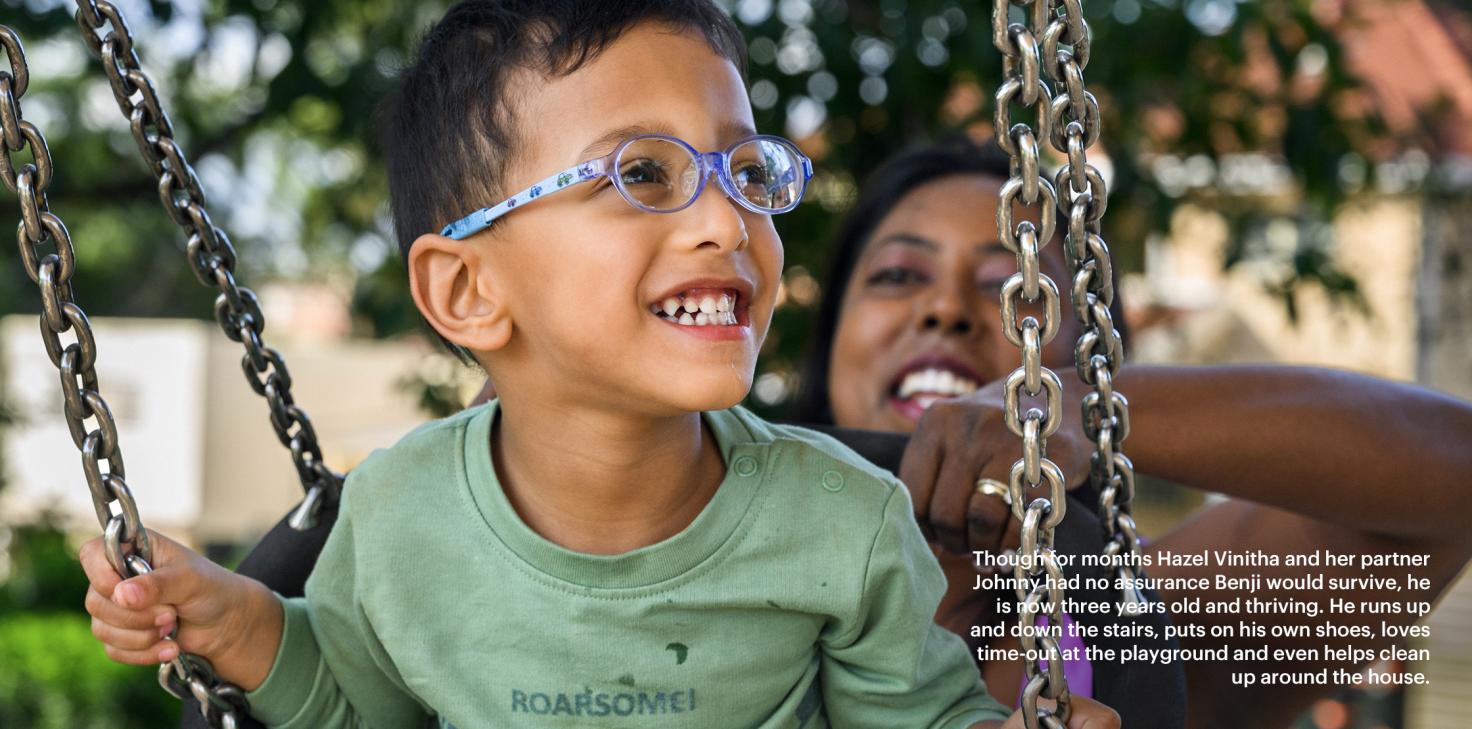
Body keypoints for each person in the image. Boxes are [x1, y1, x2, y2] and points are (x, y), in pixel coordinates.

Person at [76, 3, 1121, 728]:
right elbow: (357, 703)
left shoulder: (843, 521)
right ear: (466, 292)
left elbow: (910, 714)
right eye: (642, 173)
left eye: (746, 170)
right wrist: (247, 624)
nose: (726, 218)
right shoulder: (396, 513)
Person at [789, 136, 1472, 728]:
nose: (945, 307)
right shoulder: (705, 553)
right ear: (831, 338)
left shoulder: (1138, 626)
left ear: (1086, 356)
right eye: (899, 274)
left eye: (1014, 286)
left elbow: (1454, 467)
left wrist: (1080, 406)